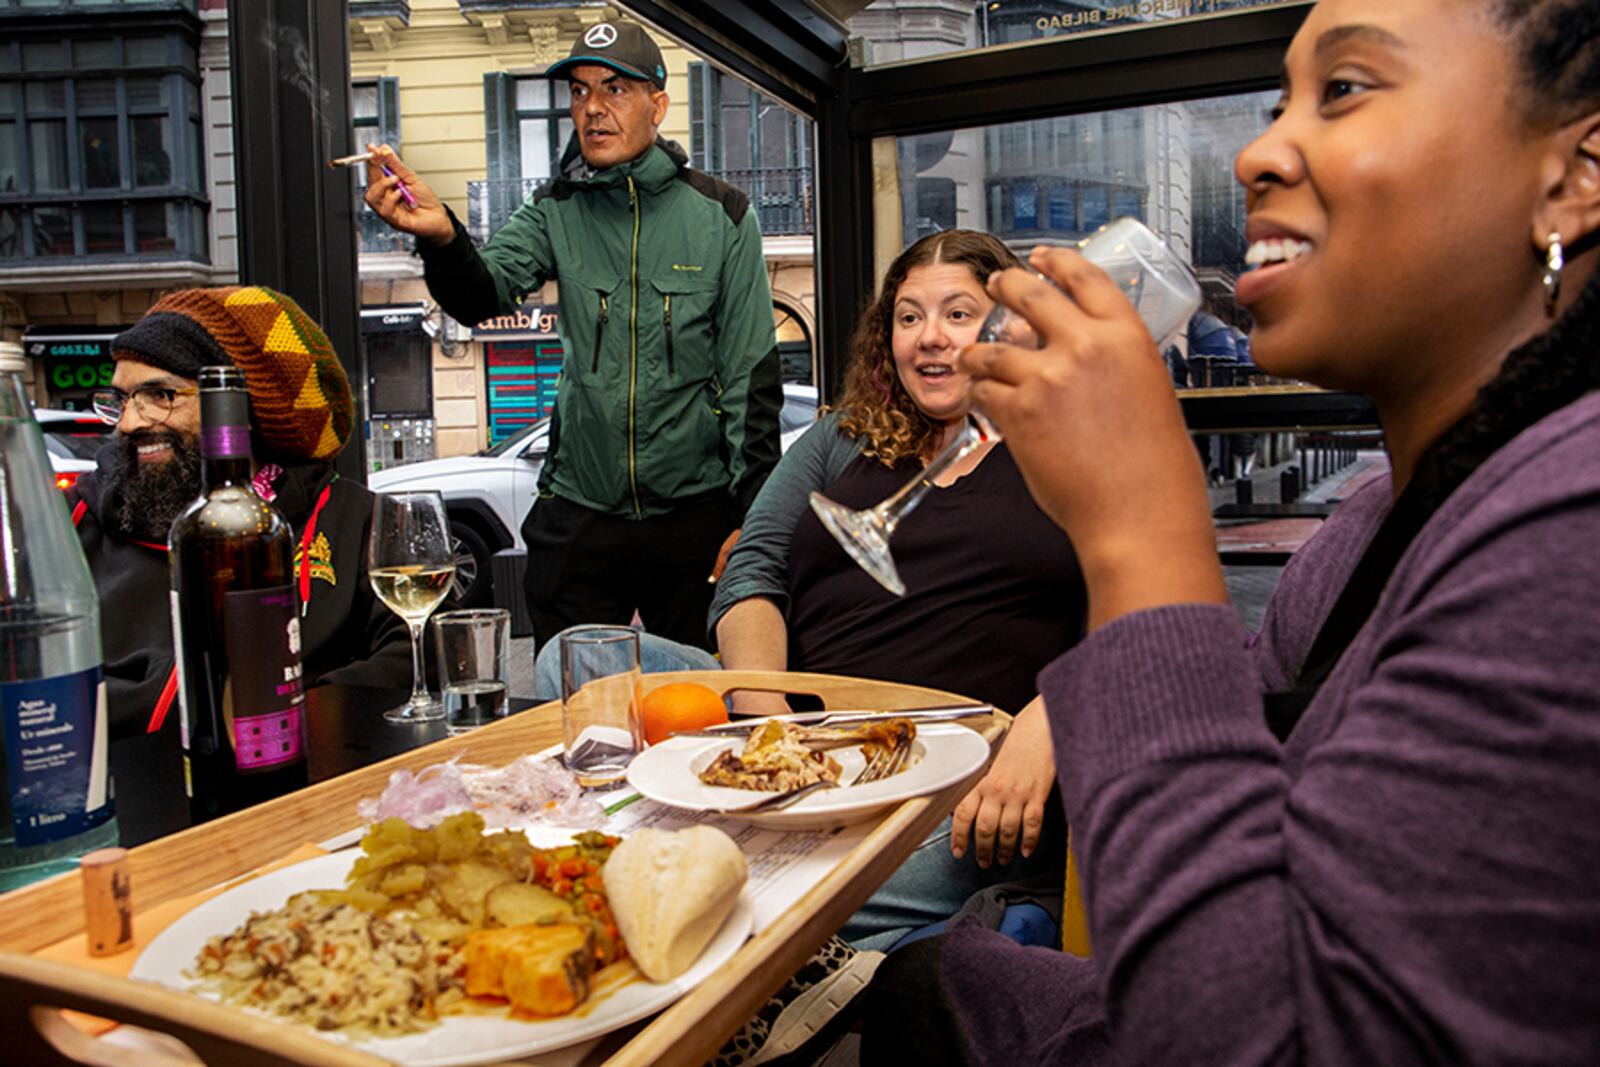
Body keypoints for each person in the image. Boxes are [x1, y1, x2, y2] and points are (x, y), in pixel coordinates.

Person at [861, 0, 1600, 1063]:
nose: (1256, 152)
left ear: (1573, 177)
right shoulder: (1376, 517)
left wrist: (1138, 534)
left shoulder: (1567, 521)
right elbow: (1247, 722)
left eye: (1343, 89)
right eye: (1276, 103)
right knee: (935, 976)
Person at [537, 230, 1088, 942]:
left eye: (958, 313)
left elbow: (1140, 622)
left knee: (832, 888)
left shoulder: (1067, 448)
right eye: (909, 316)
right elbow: (751, 570)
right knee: (575, 657)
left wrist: (1054, 716)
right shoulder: (840, 438)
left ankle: (693, 887)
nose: (928, 338)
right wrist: (772, 725)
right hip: (807, 726)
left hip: (955, 760)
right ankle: (707, 868)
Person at [362, 18, 782, 653]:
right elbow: (481, 296)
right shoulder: (555, 209)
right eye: (580, 92)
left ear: (658, 105)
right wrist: (441, 234)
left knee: (702, 707)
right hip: (580, 514)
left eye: (614, 89)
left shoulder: (722, 216)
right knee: (578, 715)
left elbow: (753, 380)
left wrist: (749, 523)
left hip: (695, 514)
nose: (592, 108)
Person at [68, 286, 414, 739]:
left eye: (159, 395)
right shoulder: (73, 523)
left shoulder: (347, 516)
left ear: (238, 404)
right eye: (122, 400)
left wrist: (287, 717)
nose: (130, 422)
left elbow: (414, 652)